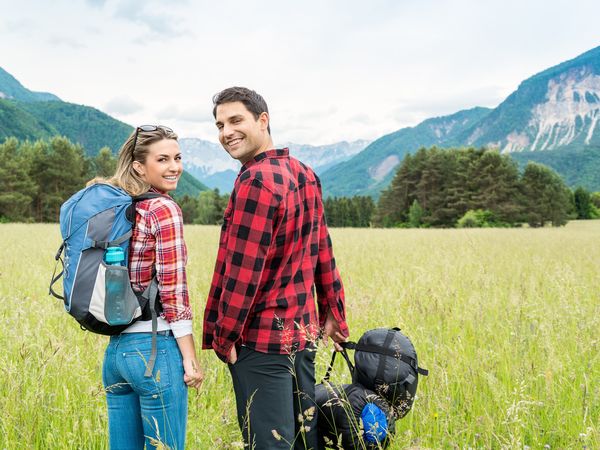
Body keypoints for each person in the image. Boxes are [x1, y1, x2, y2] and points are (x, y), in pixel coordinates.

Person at [202, 87, 349, 449]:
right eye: (220, 124)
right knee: (302, 440)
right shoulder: (304, 172)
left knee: (269, 443)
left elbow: (243, 273)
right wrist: (334, 309)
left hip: (261, 343)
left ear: (263, 120)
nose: (226, 132)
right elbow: (322, 249)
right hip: (302, 335)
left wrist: (224, 337)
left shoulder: (254, 181)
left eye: (236, 120)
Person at [96, 125, 203, 450]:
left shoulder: (118, 208)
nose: (174, 167)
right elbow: (173, 290)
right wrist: (189, 358)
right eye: (163, 159)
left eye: (178, 157)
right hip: (154, 351)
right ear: (140, 166)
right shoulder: (163, 209)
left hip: (116, 355)